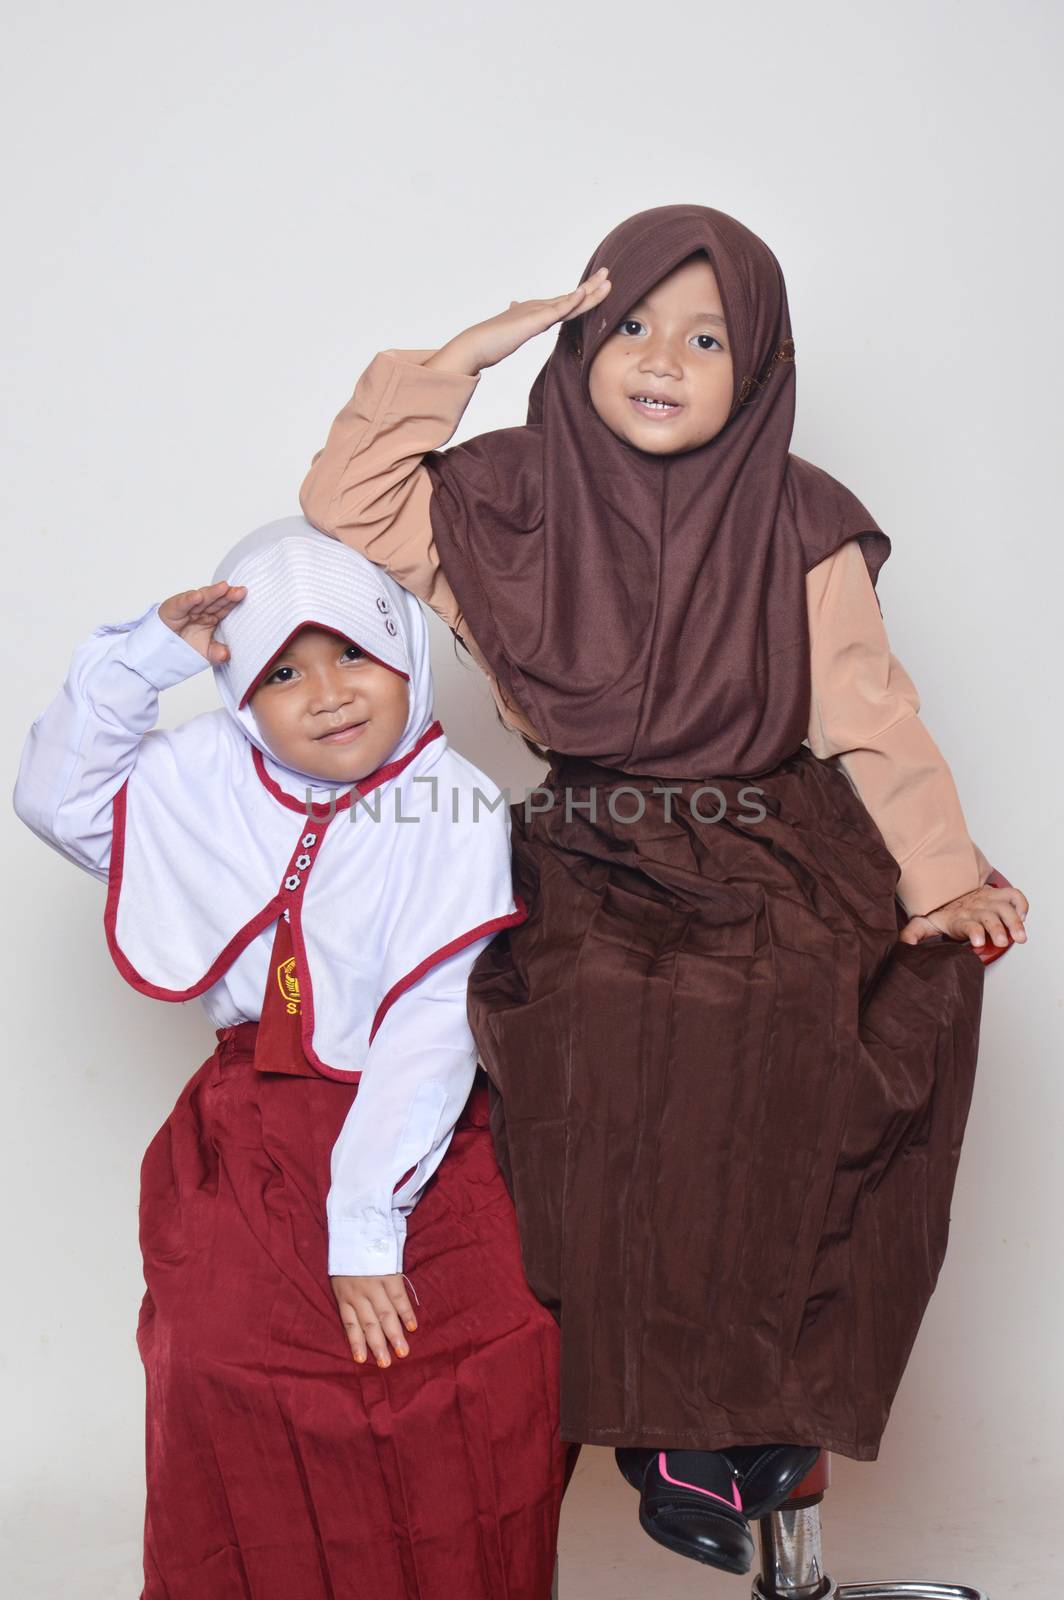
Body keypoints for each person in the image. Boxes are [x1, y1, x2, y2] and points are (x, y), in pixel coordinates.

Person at [298, 205, 1030, 1575]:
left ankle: (754, 1421)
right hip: (589, 852)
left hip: (776, 845)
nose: (661, 358)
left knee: (802, 1032)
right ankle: (670, 1428)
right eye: (629, 323)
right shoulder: (506, 500)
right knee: (613, 1034)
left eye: (707, 338)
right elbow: (345, 502)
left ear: (755, 369)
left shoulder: (801, 516)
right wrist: (467, 352)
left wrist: (943, 874)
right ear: (580, 341)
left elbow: (869, 709)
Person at [13, 516, 570, 1600]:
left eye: (351, 653)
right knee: (219, 1359)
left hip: (421, 1139)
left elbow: (432, 1025)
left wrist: (364, 1222)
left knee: (492, 1353)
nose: (327, 694)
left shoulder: (448, 798)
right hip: (249, 1135)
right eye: (281, 671)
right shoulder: (200, 780)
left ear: (398, 646)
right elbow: (56, 797)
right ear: (240, 694)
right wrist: (146, 658)